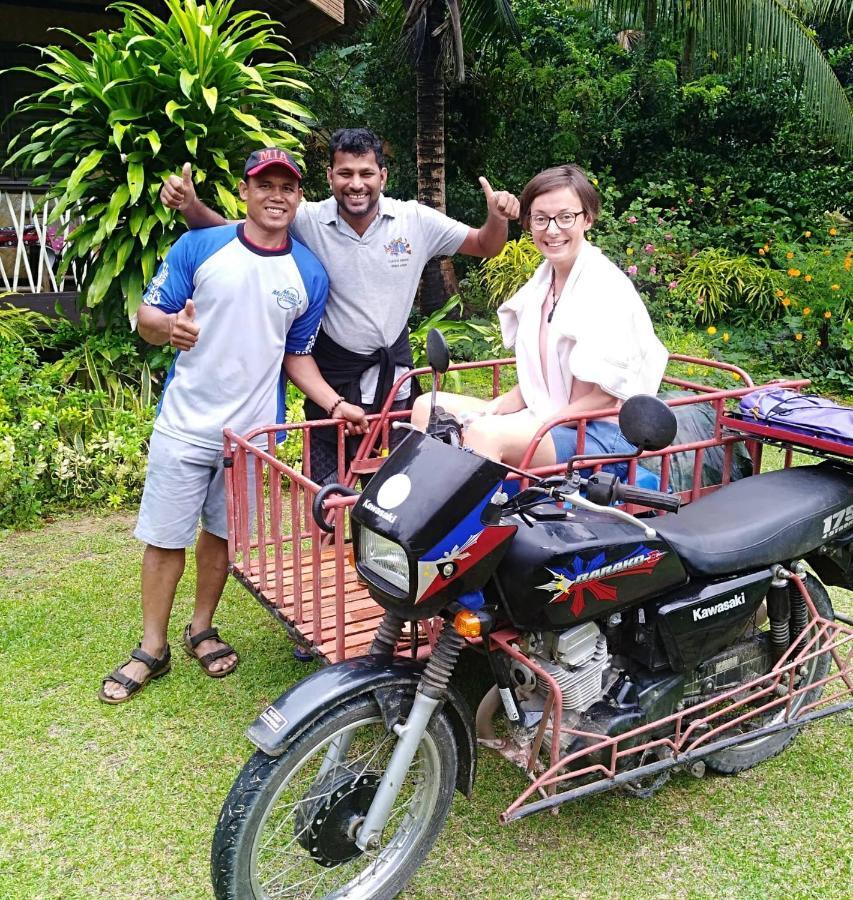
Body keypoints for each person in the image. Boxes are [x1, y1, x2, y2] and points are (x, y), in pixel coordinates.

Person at [99, 149, 367, 703]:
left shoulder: (308, 274)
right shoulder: (200, 246)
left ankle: (201, 627)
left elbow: (297, 355)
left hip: (249, 439)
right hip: (183, 423)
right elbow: (148, 318)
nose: (277, 195)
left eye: (287, 187)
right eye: (264, 184)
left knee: (221, 535)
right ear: (244, 192)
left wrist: (333, 402)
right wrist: (168, 327)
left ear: (298, 197)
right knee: (165, 538)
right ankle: (152, 646)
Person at [160, 128, 520, 484]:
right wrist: (189, 205)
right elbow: (231, 232)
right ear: (330, 176)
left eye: (366, 173)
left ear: (383, 175)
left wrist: (497, 217)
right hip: (331, 378)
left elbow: (484, 245)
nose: (356, 184)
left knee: (397, 492)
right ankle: (333, 538)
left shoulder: (414, 220)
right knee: (326, 499)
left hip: (394, 379)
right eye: (345, 173)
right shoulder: (307, 219)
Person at [411, 164, 668, 470]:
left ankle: (477, 517)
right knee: (426, 406)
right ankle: (427, 507)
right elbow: (540, 385)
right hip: (552, 417)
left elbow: (606, 399)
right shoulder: (542, 284)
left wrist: (540, 422)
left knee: (486, 435)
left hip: (600, 434)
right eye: (541, 219)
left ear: (587, 219)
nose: (553, 230)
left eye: (565, 217)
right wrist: (494, 409)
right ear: (529, 223)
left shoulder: (605, 288)